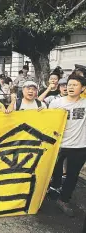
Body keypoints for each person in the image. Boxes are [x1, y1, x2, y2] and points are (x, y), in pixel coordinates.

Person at [48, 74, 86, 217]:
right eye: (69, 84)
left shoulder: (85, 104)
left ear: (82, 88)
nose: (70, 87)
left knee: (72, 175)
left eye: (75, 85)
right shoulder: (57, 103)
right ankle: (53, 189)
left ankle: (64, 200)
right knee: (54, 172)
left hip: (80, 146)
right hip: (58, 145)